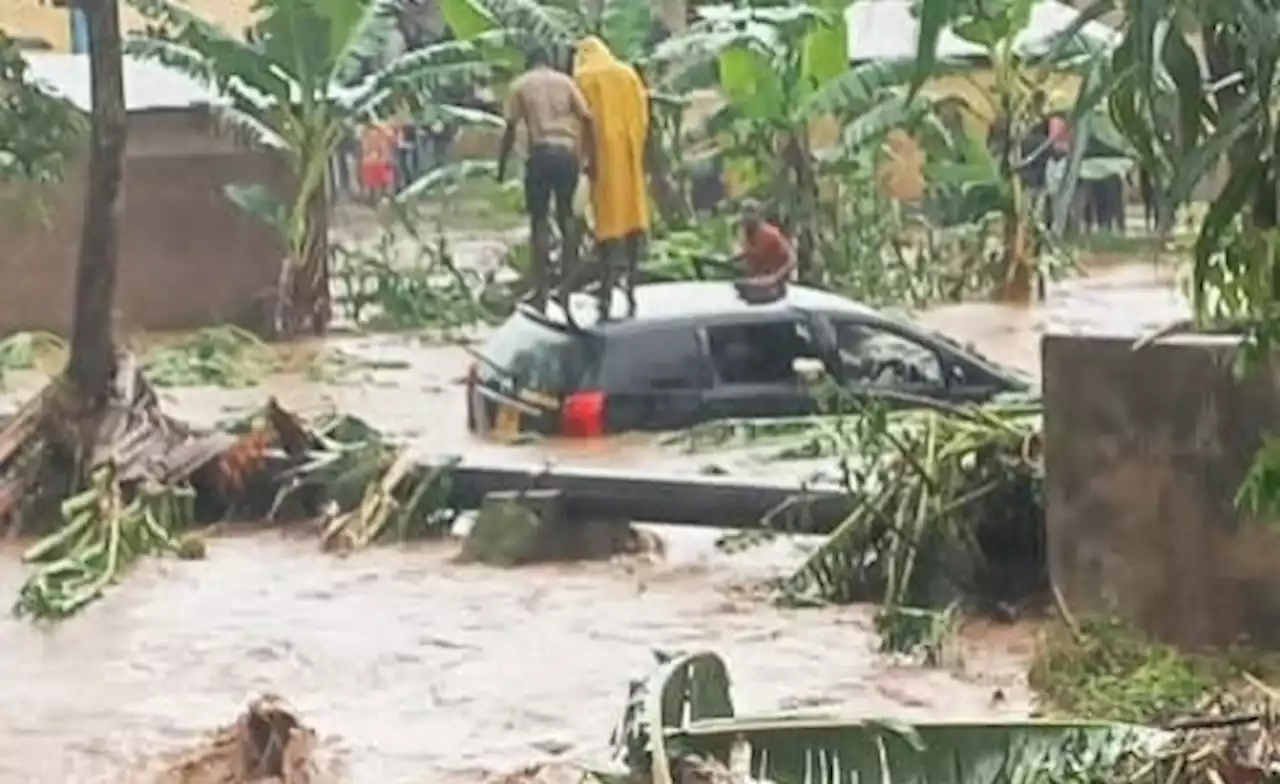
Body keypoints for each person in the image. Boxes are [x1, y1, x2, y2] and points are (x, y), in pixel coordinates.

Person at [498, 46, 596, 311]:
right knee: (567, 219)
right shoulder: (566, 82)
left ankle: (540, 289)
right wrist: (590, 156)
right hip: (567, 155)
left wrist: (501, 165)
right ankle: (567, 286)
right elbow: (587, 117)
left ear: (529, 63)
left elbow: (510, 128)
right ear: (550, 61)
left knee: (539, 222)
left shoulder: (521, 84)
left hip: (540, 155)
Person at [573, 36, 650, 318]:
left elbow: (580, 121)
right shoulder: (627, 74)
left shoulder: (583, 78)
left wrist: (583, 158)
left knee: (606, 224)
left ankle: (605, 289)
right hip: (629, 160)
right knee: (631, 219)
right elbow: (643, 116)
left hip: (601, 160)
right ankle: (630, 285)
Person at [733, 201, 796, 299]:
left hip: (777, 287)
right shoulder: (745, 235)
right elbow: (747, 254)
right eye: (745, 213)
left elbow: (792, 258)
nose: (748, 217)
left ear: (759, 216)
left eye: (751, 213)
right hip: (757, 285)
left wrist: (776, 277)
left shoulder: (771, 235)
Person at [359, 121, 398, 204]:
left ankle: (383, 196)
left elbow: (392, 140)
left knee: (384, 180)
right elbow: (365, 148)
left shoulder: (384, 133)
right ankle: (375, 198)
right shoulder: (369, 135)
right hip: (373, 162)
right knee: (375, 181)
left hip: (381, 161)